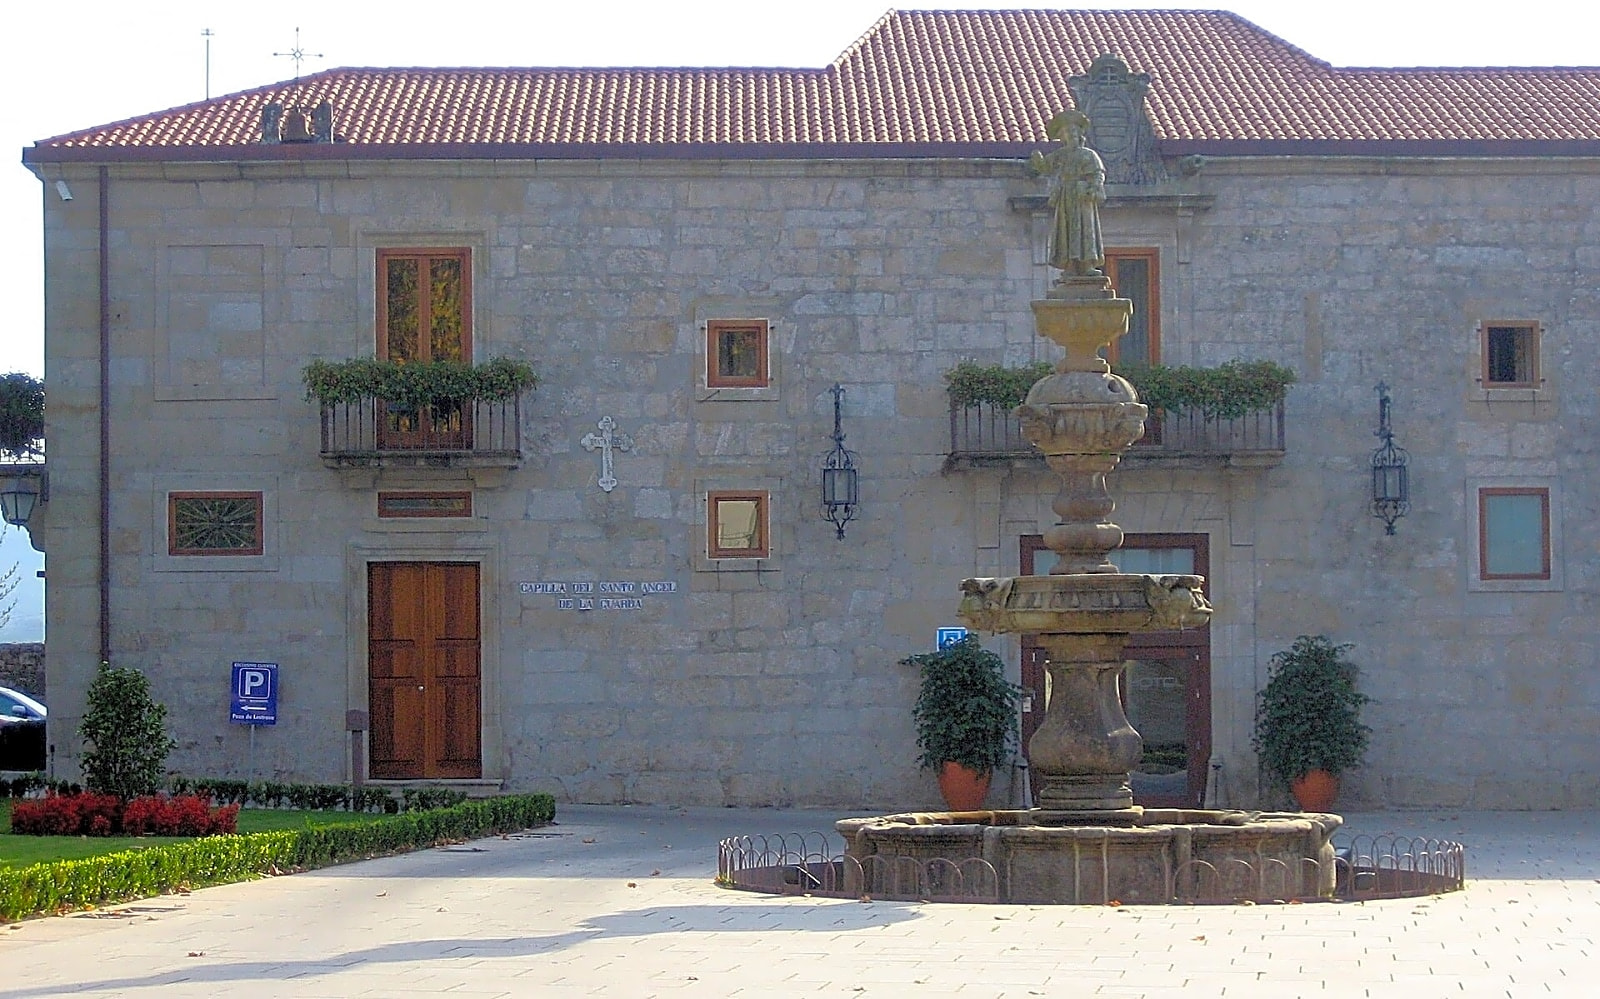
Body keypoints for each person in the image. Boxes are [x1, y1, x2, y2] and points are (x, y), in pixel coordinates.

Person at [1030, 110, 1106, 276]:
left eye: (1073, 131)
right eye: (1066, 132)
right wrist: (1037, 161)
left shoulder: (1088, 155)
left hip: (1083, 195)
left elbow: (1098, 173)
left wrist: (1092, 187)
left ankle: (1087, 265)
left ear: (1079, 134)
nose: (1070, 135)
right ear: (1062, 137)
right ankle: (1070, 264)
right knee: (1066, 230)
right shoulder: (1060, 155)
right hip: (1065, 196)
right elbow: (1045, 167)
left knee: (1085, 229)